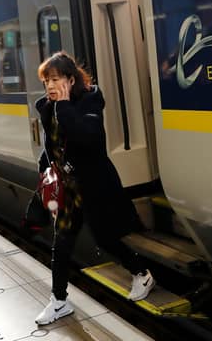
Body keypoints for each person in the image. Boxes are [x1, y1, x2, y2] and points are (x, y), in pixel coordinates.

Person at [34, 51, 155, 325]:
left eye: (55, 79)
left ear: (70, 79)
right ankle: (59, 301)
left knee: (106, 238)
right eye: (46, 81)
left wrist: (64, 106)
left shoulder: (89, 100)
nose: (50, 86)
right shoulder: (46, 107)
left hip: (94, 185)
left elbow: (88, 138)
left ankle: (141, 273)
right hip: (68, 190)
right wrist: (45, 173)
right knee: (61, 245)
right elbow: (52, 146)